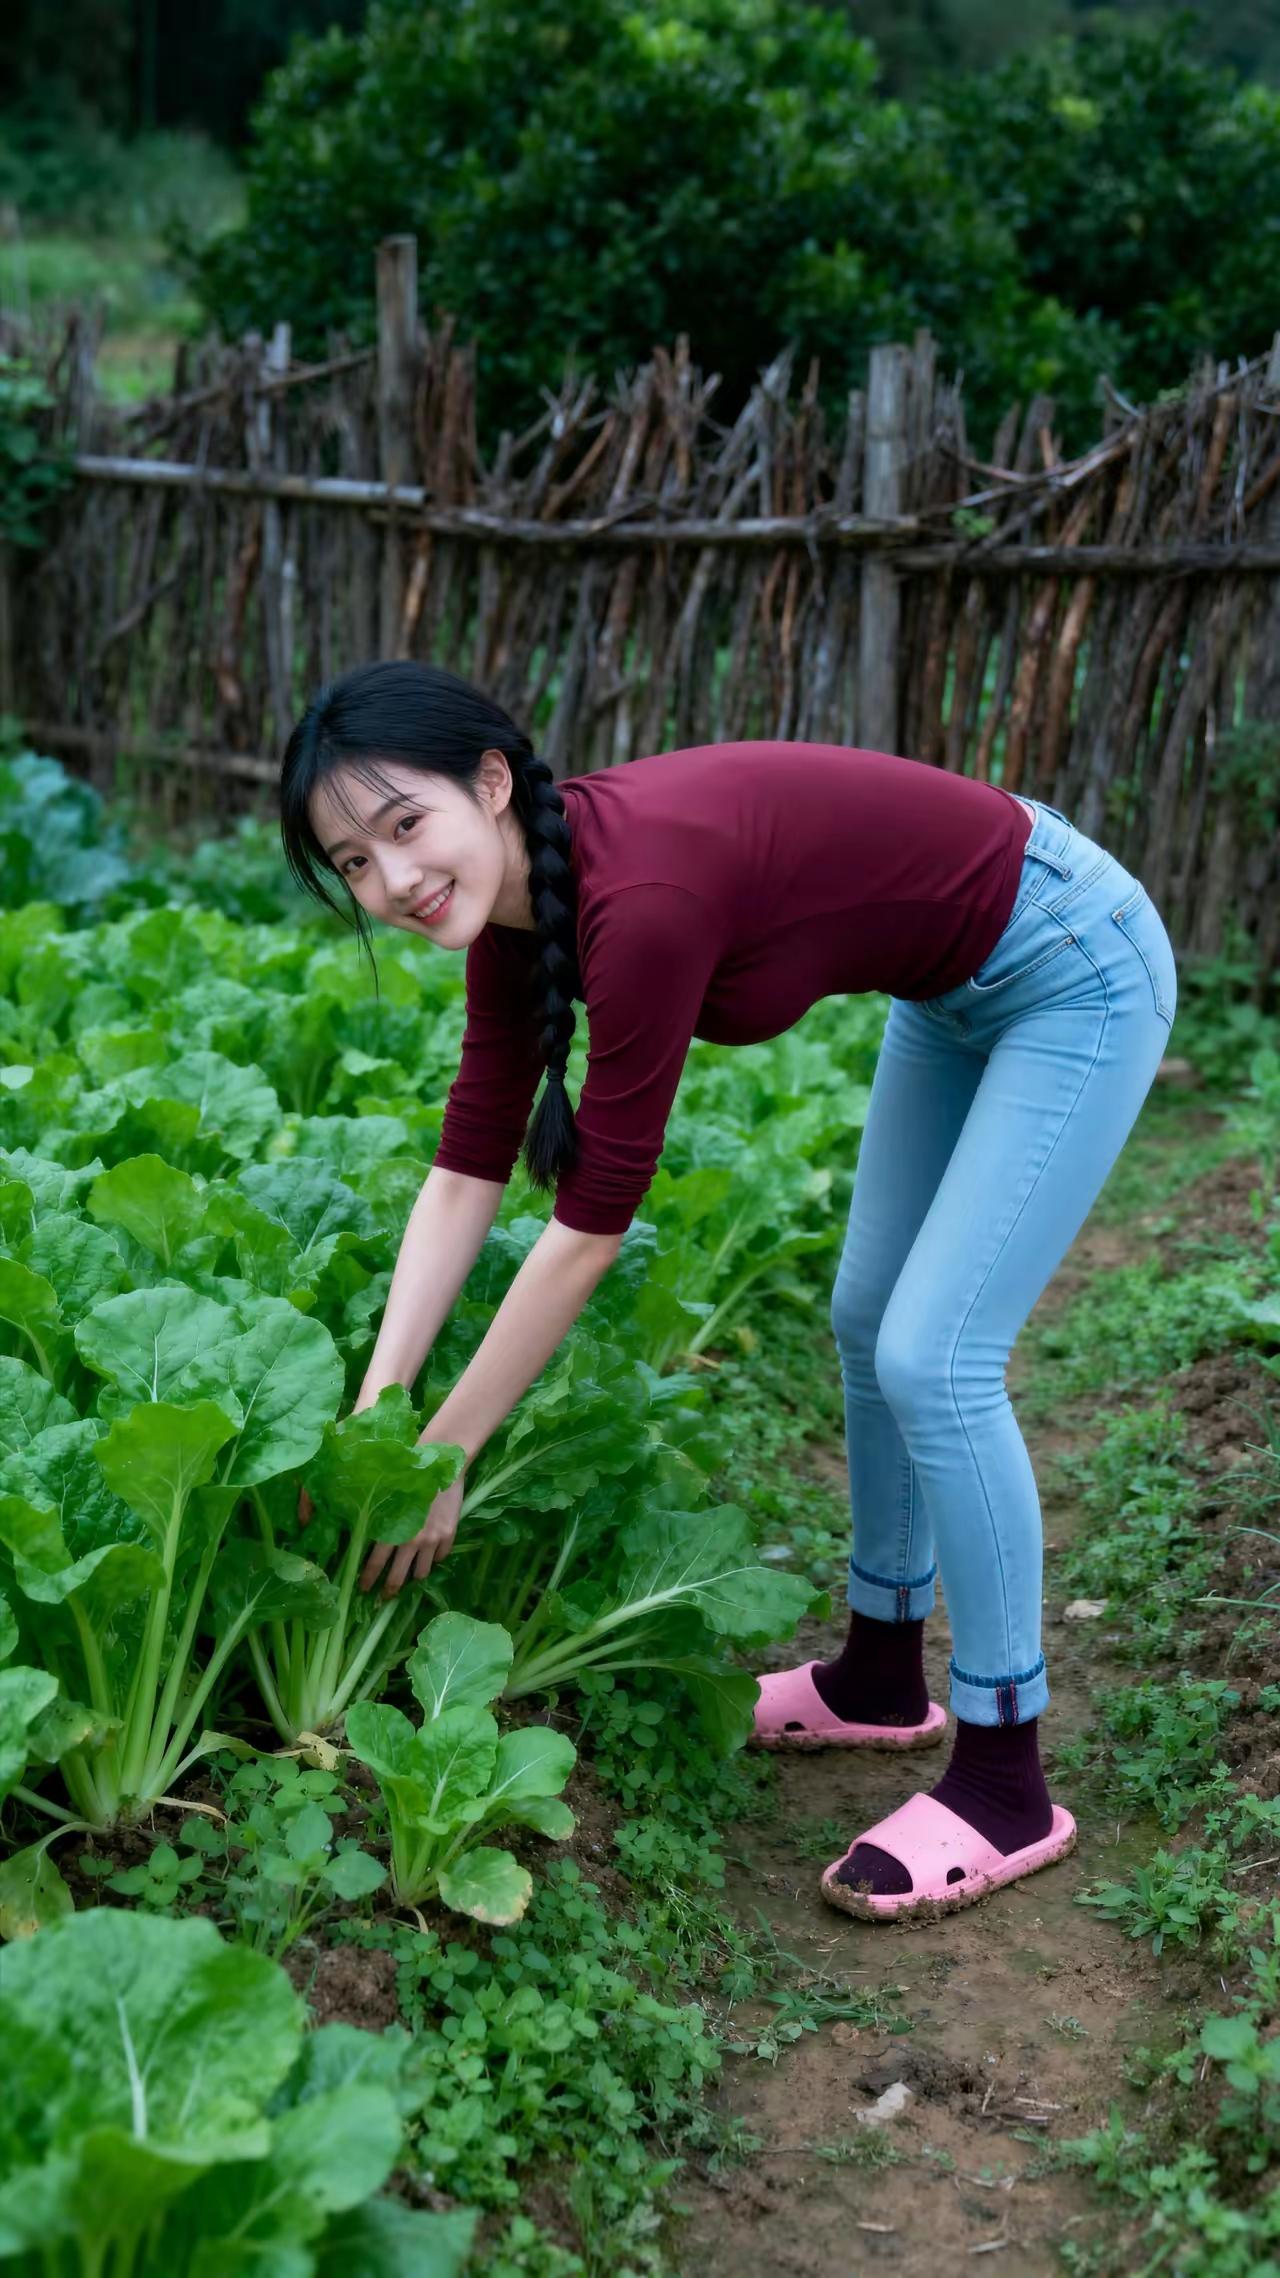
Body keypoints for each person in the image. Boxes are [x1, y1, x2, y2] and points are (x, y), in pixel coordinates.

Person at [278, 657, 1177, 1923]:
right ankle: (876, 1676)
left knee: (936, 1355)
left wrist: (445, 1450)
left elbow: (588, 1230)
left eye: (403, 825)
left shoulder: (636, 899)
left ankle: (1002, 1778)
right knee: (867, 1317)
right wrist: (384, 1413)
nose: (394, 880)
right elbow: (463, 1170)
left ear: (489, 783)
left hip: (1069, 963)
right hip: (949, 990)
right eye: (353, 864)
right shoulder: (519, 913)